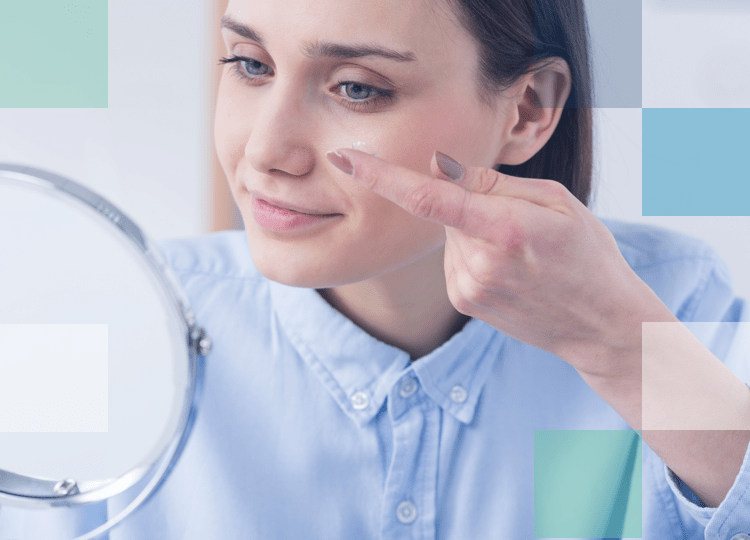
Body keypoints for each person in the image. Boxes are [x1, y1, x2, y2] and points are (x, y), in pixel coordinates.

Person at [3, 0, 750, 538]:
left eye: (357, 87)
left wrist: (621, 347)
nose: (267, 151)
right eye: (250, 64)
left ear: (526, 110)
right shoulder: (124, 324)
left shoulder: (673, 300)